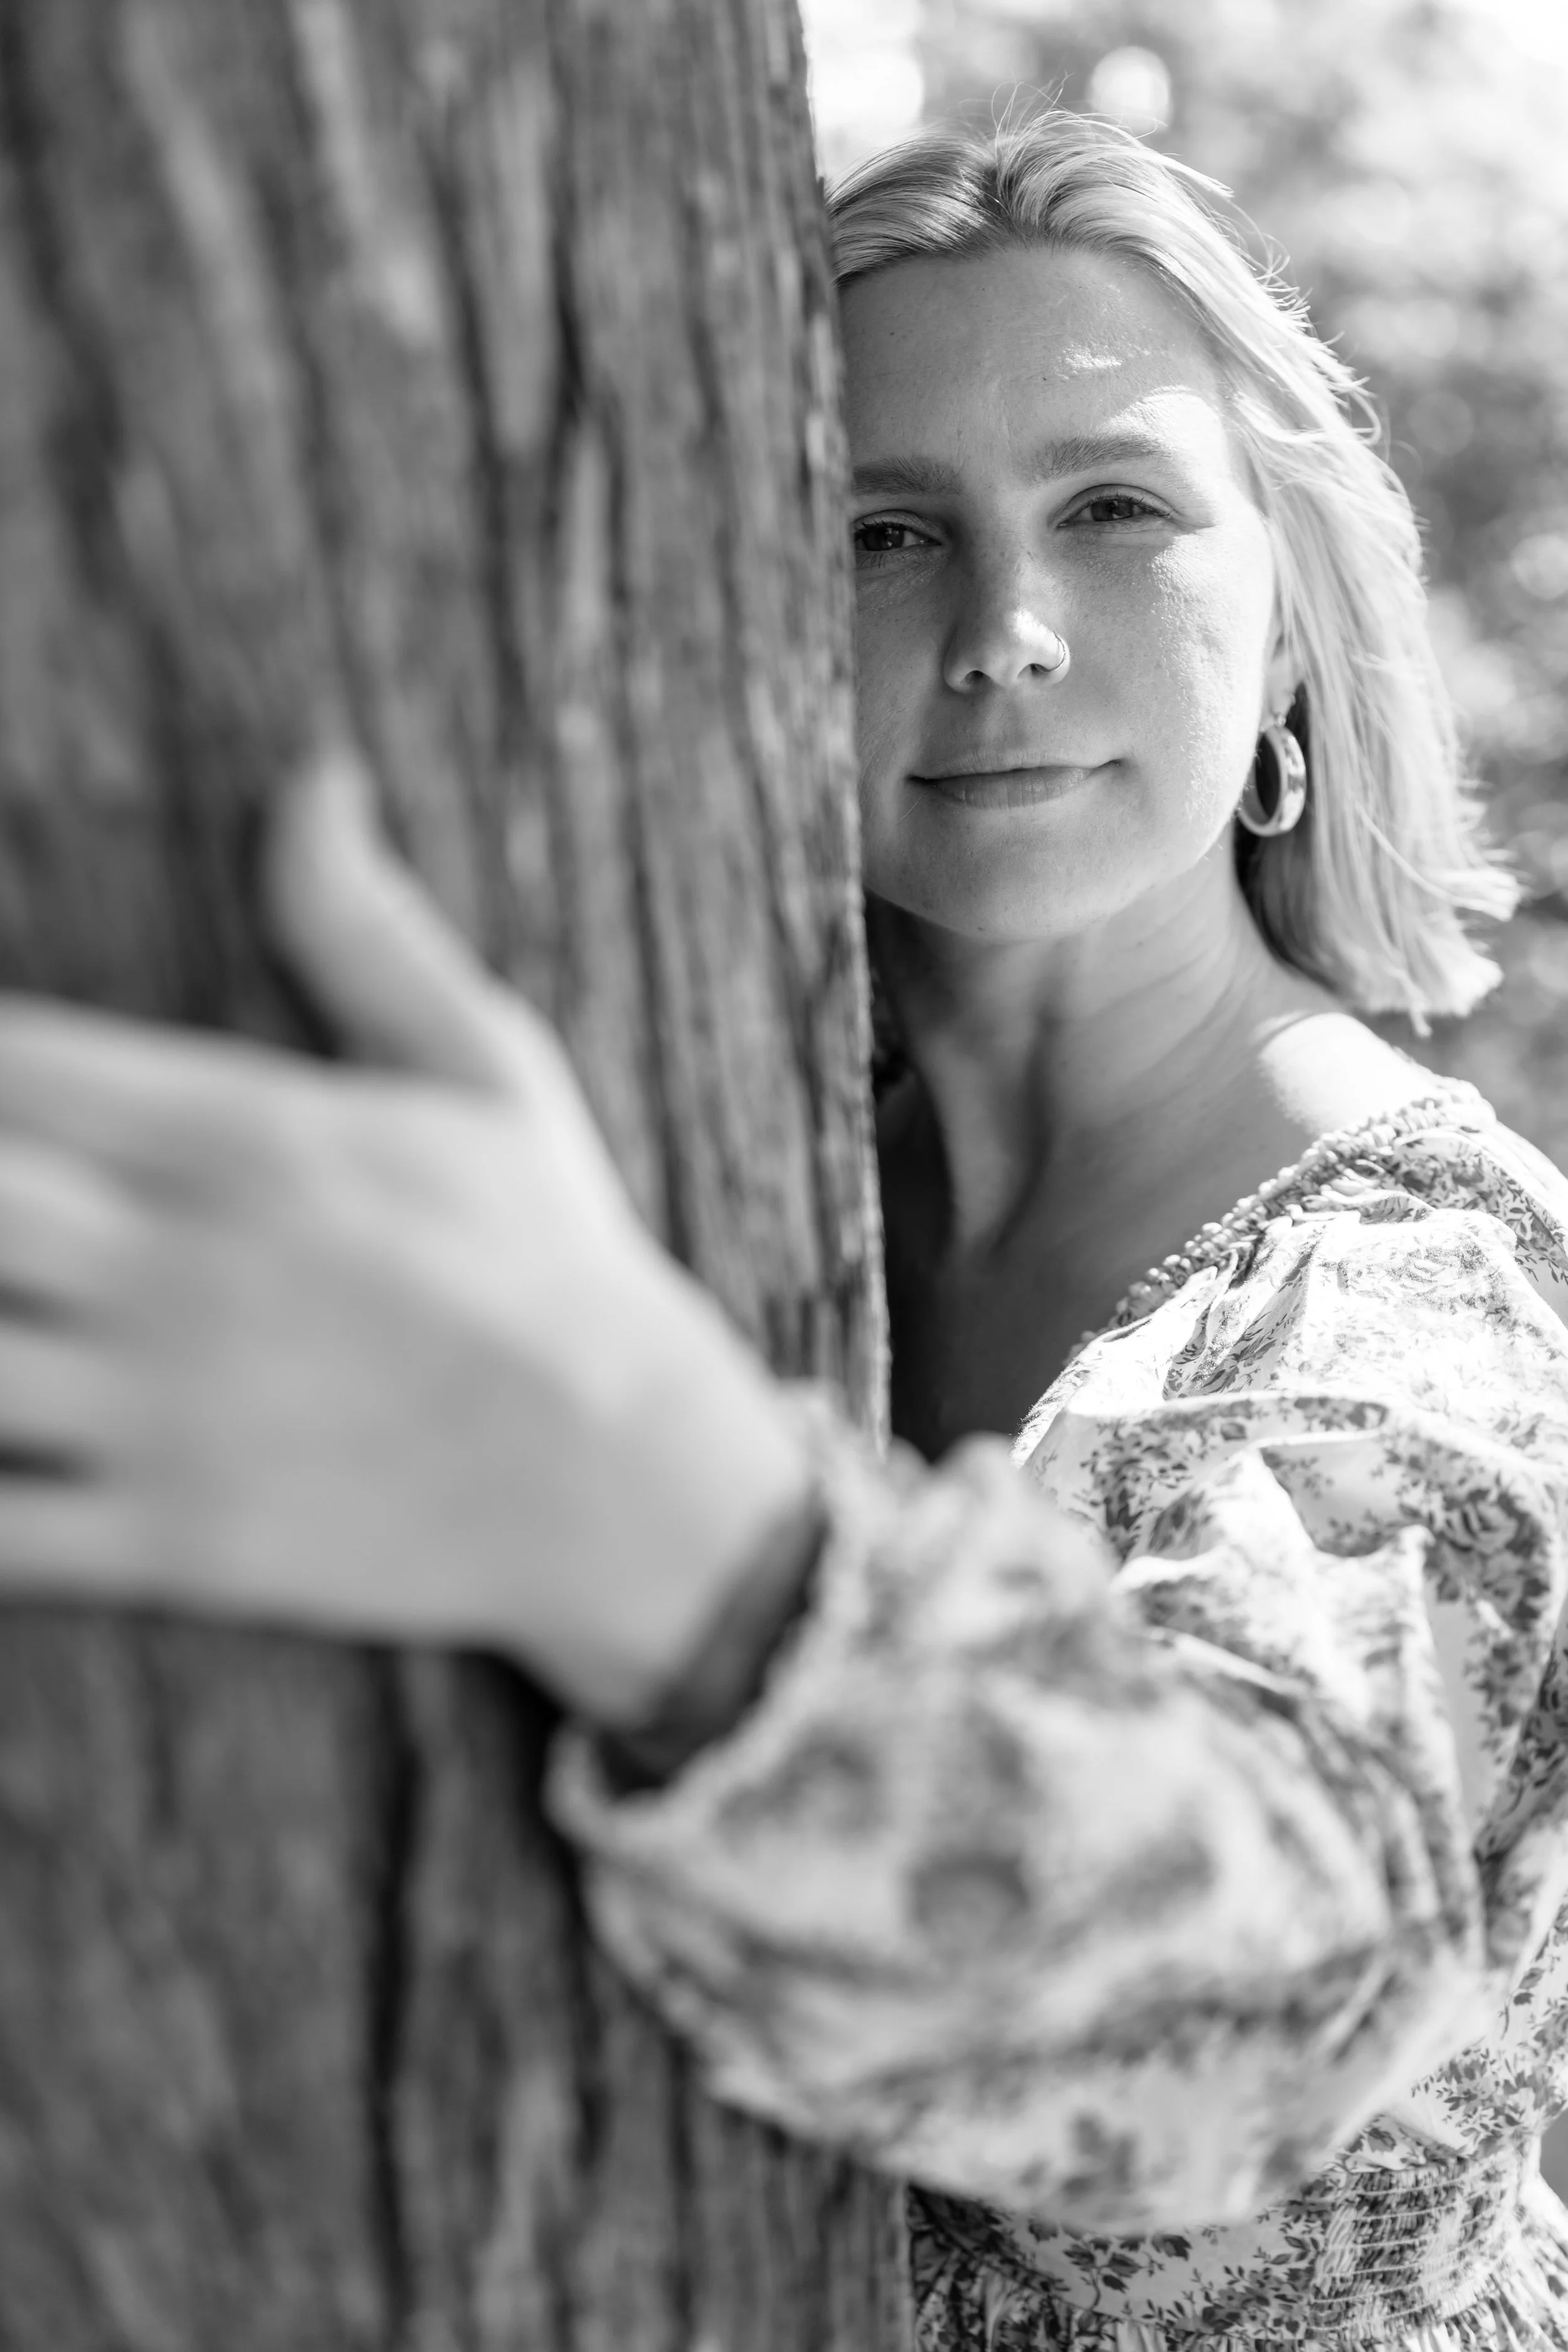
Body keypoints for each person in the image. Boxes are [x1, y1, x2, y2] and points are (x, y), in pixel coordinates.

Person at [1, 105, 1567, 2350]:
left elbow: (1270, 1990)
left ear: (1299, 623)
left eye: (1113, 510)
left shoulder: (1419, 1276)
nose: (1006, 629)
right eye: (879, 533)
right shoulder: (750, 1163)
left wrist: (637, 1507)